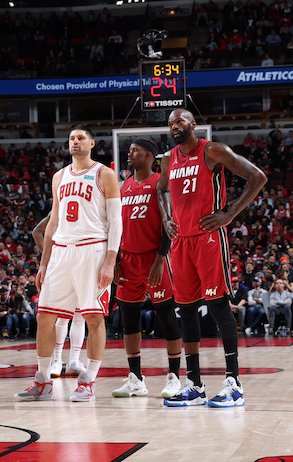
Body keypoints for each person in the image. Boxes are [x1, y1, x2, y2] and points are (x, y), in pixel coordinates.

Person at [158, 108, 266, 407]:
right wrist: (167, 218)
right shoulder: (168, 159)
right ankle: (194, 384)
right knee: (187, 311)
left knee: (218, 306)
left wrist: (230, 213)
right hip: (180, 242)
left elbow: (257, 176)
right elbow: (161, 189)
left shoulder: (213, 150)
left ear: (193, 124)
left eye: (179, 121)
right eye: (170, 124)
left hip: (207, 238)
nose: (174, 127)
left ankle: (234, 383)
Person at [16, 124, 121, 402]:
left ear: (92, 143)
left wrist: (110, 260)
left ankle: (89, 380)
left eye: (81, 138)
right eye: (72, 138)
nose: (75, 142)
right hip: (61, 251)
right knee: (45, 316)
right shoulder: (59, 176)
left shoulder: (105, 174)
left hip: (92, 250)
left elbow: (116, 222)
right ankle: (43, 379)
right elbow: (53, 222)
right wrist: (43, 262)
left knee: (94, 318)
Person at [111, 139, 183, 399]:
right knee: (129, 322)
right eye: (129, 150)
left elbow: (169, 223)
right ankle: (135, 379)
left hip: (155, 258)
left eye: (135, 150)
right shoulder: (124, 186)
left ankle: (175, 376)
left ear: (150, 156)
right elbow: (116, 228)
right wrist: (116, 259)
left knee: (166, 318)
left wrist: (161, 258)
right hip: (128, 260)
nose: (129, 153)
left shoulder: (161, 183)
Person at [32, 214, 86, 378]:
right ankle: (59, 360)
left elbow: (36, 232)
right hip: (67, 265)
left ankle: (68, 362)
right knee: (67, 317)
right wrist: (49, 257)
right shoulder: (62, 205)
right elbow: (37, 232)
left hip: (78, 263)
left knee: (76, 316)